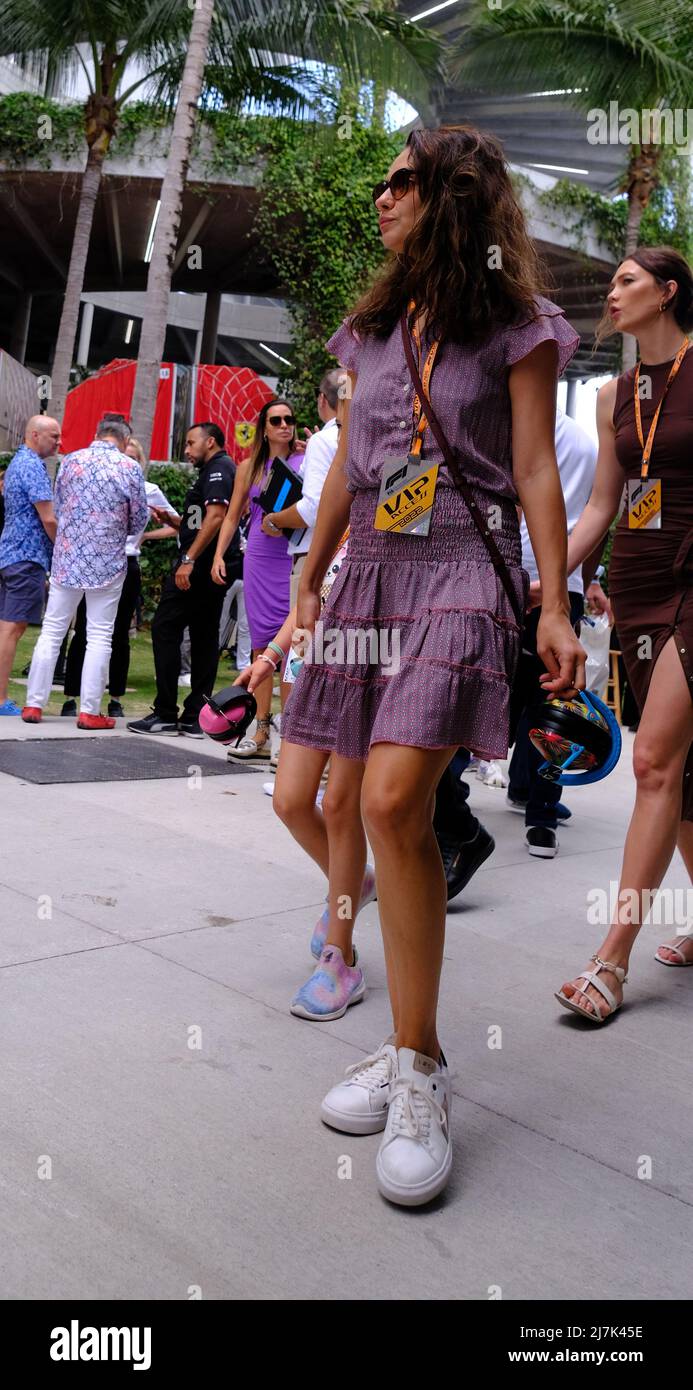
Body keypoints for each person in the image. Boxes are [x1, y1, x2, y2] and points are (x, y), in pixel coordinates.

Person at [278, 125, 584, 1207]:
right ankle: (417, 1053)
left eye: (398, 181)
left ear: (450, 196)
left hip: (465, 561)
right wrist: (312, 575)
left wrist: (554, 600)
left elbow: (539, 468)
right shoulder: (367, 331)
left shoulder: (520, 324)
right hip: (370, 577)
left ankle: (416, 1074)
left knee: (399, 797)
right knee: (369, 812)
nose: (380, 198)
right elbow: (353, 478)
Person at [556, 245, 693, 1022]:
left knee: (649, 762)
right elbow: (602, 508)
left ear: (666, 293)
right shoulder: (613, 394)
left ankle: (609, 962)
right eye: (611, 282)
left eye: (626, 281)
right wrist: (555, 577)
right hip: (638, 582)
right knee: (680, 783)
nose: (611, 293)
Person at [507, 405, 598, 858]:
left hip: (552, 586)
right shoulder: (487, 422)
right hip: (494, 579)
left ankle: (542, 814)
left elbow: (593, 516)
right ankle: (457, 807)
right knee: (477, 692)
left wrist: (560, 584)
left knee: (552, 706)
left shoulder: (580, 443)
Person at [22, 416, 148, 729]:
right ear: (122, 439)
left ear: (97, 434)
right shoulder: (129, 467)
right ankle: (90, 711)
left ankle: (33, 705)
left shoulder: (70, 462)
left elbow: (60, 508)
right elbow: (138, 519)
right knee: (99, 636)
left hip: (67, 559)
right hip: (107, 563)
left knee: (52, 631)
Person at [128, 422, 241, 738]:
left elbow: (217, 517)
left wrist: (188, 560)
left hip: (200, 568)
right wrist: (175, 521)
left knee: (166, 627)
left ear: (211, 442)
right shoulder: (213, 471)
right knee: (204, 638)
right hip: (208, 567)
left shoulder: (220, 469)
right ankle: (194, 716)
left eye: (191, 443)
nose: (187, 450)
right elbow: (202, 520)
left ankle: (166, 713)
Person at [210, 400, 302, 759]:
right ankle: (261, 729)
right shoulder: (248, 467)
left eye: (289, 419)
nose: (283, 425)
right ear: (263, 427)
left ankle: (289, 736)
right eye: (275, 420)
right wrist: (219, 554)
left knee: (295, 647)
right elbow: (232, 516)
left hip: (292, 555)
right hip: (259, 558)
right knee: (261, 644)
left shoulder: (306, 461)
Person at [61, 437, 176, 719]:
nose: (125, 462)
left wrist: (144, 536)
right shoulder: (97, 485)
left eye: (133, 458)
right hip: (98, 561)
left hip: (127, 561)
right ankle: (71, 697)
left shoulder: (148, 490)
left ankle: (115, 697)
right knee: (85, 630)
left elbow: (176, 523)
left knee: (119, 634)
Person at [0, 415, 59, 715]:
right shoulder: (33, 466)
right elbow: (48, 518)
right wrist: (63, 546)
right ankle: (0, 700)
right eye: (54, 437)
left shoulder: (16, 463)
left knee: (6, 627)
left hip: (9, 553)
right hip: (26, 556)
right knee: (13, 628)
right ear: (35, 435)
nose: (59, 442)